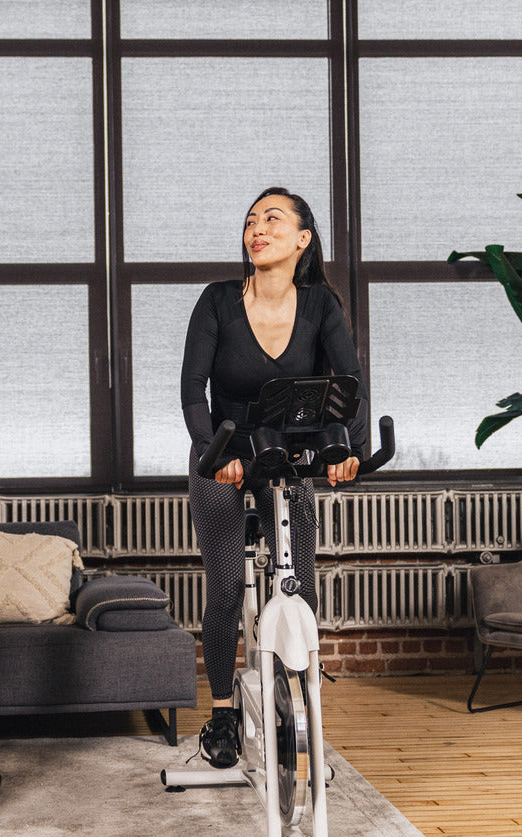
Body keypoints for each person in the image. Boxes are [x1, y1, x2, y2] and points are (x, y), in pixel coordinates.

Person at [181, 187, 367, 768]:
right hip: (224, 453)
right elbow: (192, 392)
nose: (256, 228)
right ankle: (221, 713)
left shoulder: (320, 306)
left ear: (303, 239)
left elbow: (350, 383)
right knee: (227, 586)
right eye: (250, 221)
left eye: (272, 219)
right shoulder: (216, 301)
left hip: (288, 454)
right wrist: (214, 454)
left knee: (302, 583)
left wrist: (350, 450)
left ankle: (299, 700)